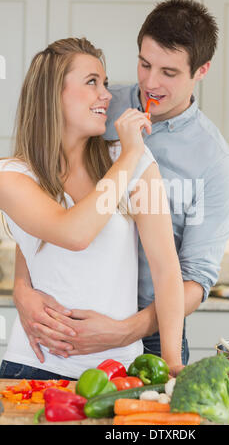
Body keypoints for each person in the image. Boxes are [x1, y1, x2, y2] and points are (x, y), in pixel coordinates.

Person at [12, 0, 229, 365]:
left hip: (151, 332)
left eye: (169, 72)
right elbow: (45, 201)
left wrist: (126, 329)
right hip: (65, 320)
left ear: (201, 70)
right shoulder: (97, 107)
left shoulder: (216, 163)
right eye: (144, 63)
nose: (151, 82)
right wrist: (22, 288)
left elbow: (192, 278)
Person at [0, 37, 185, 380]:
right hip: (35, 369)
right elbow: (74, 234)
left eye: (105, 83)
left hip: (120, 373)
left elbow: (166, 271)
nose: (107, 95)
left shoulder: (135, 162)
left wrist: (173, 363)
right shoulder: (12, 177)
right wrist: (129, 154)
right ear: (53, 94)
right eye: (92, 83)